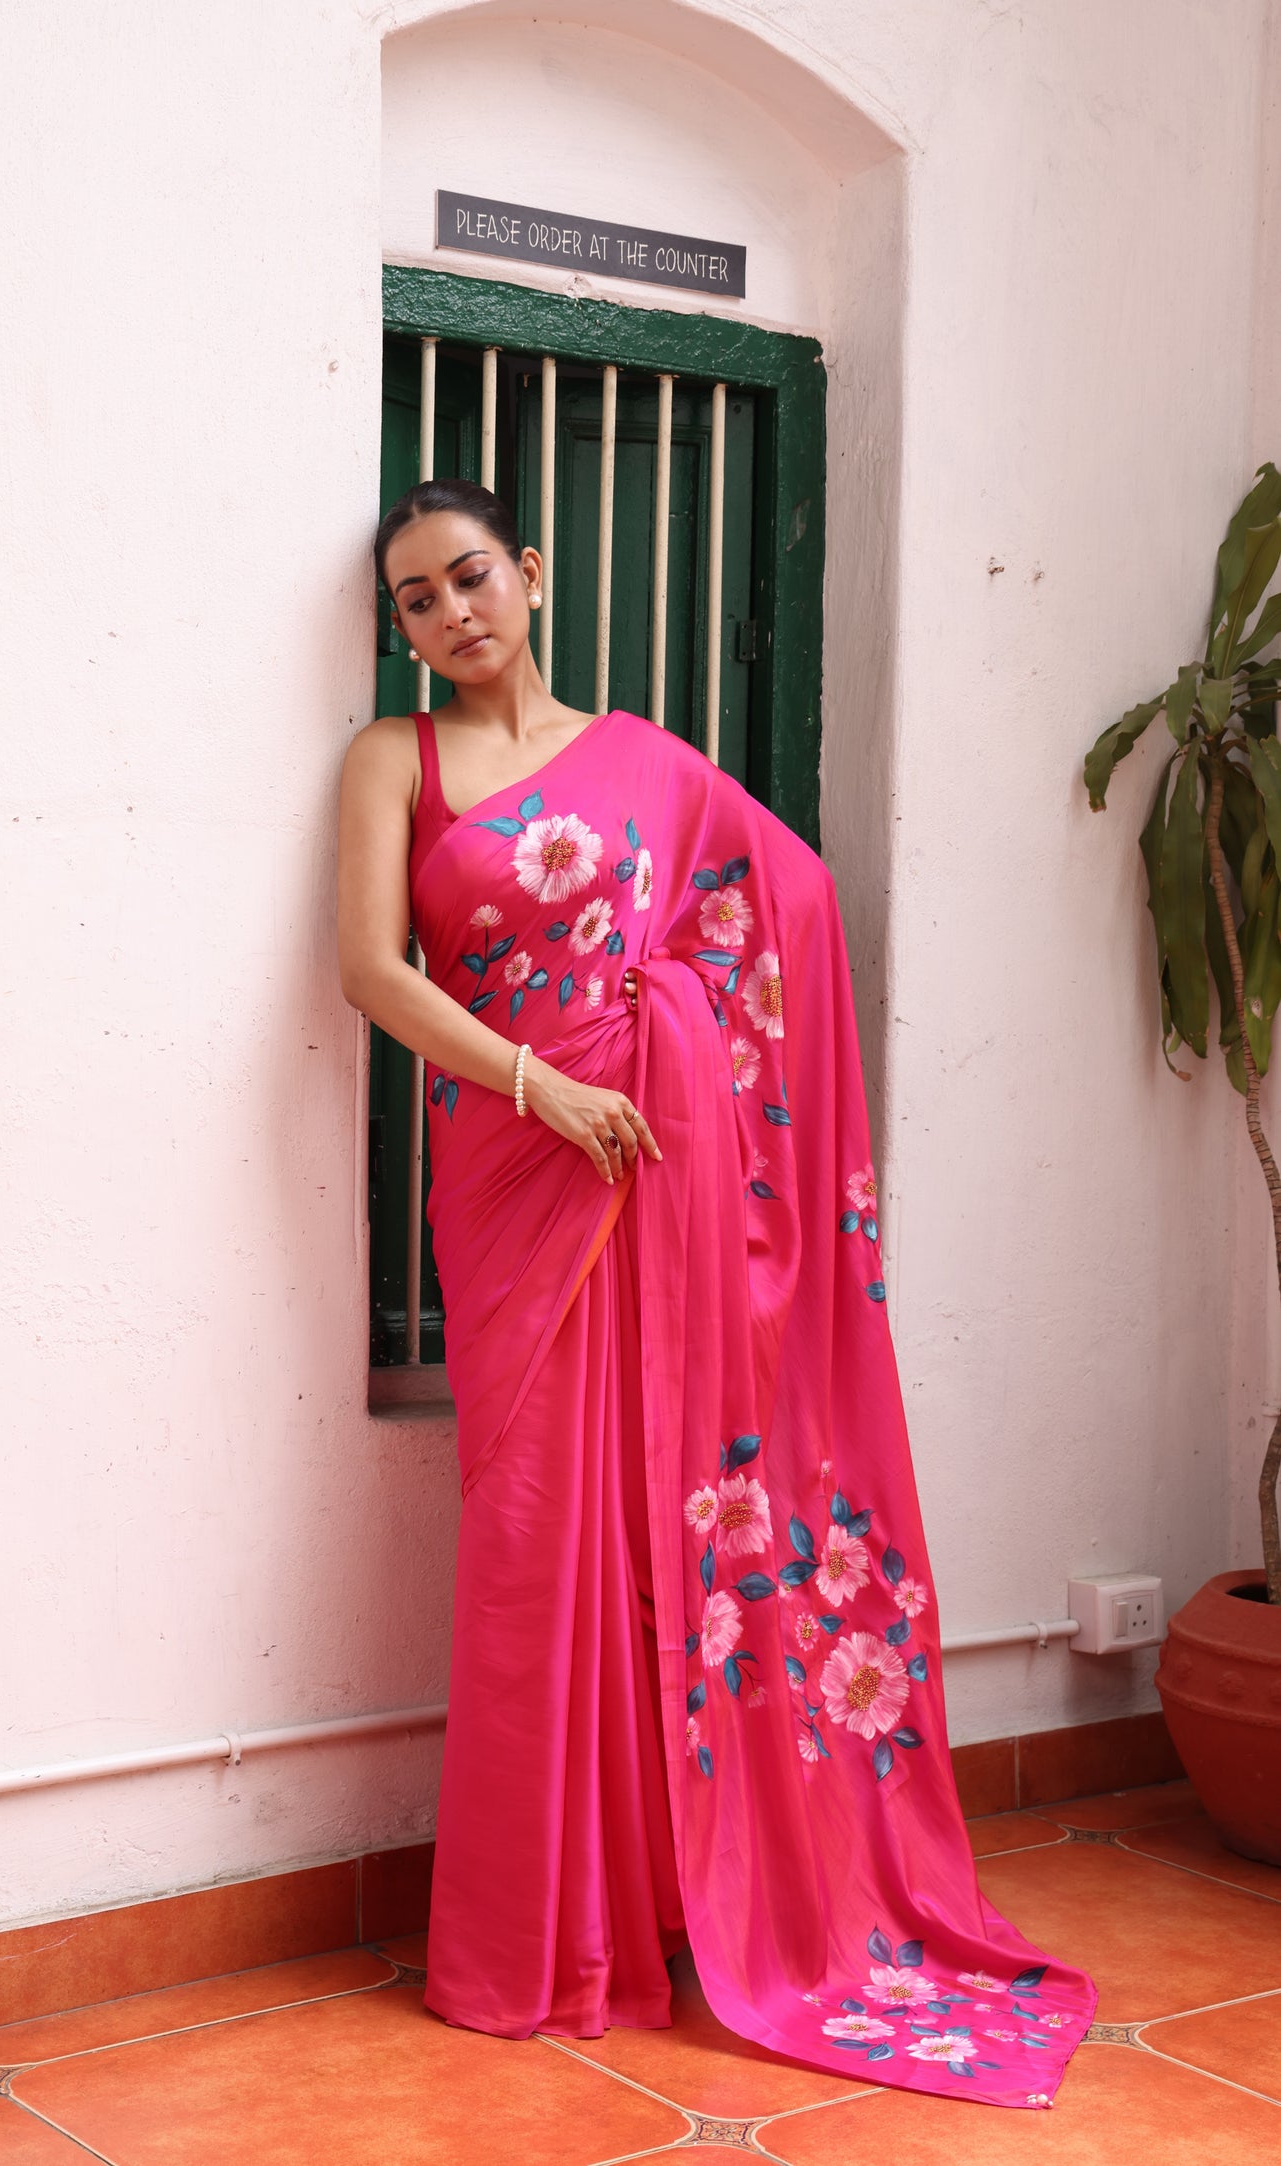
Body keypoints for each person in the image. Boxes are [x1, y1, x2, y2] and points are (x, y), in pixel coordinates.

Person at [336, 477, 1095, 2112]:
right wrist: (547, 1085)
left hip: (653, 1170)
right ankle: (542, 1935)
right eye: (414, 599)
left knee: (658, 1527)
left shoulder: (652, 761)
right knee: (536, 1534)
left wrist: (673, 1023)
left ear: (528, 573)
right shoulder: (390, 762)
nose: (451, 613)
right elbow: (372, 973)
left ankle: (668, 1905)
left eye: (469, 576)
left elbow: (788, 901)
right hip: (517, 1173)